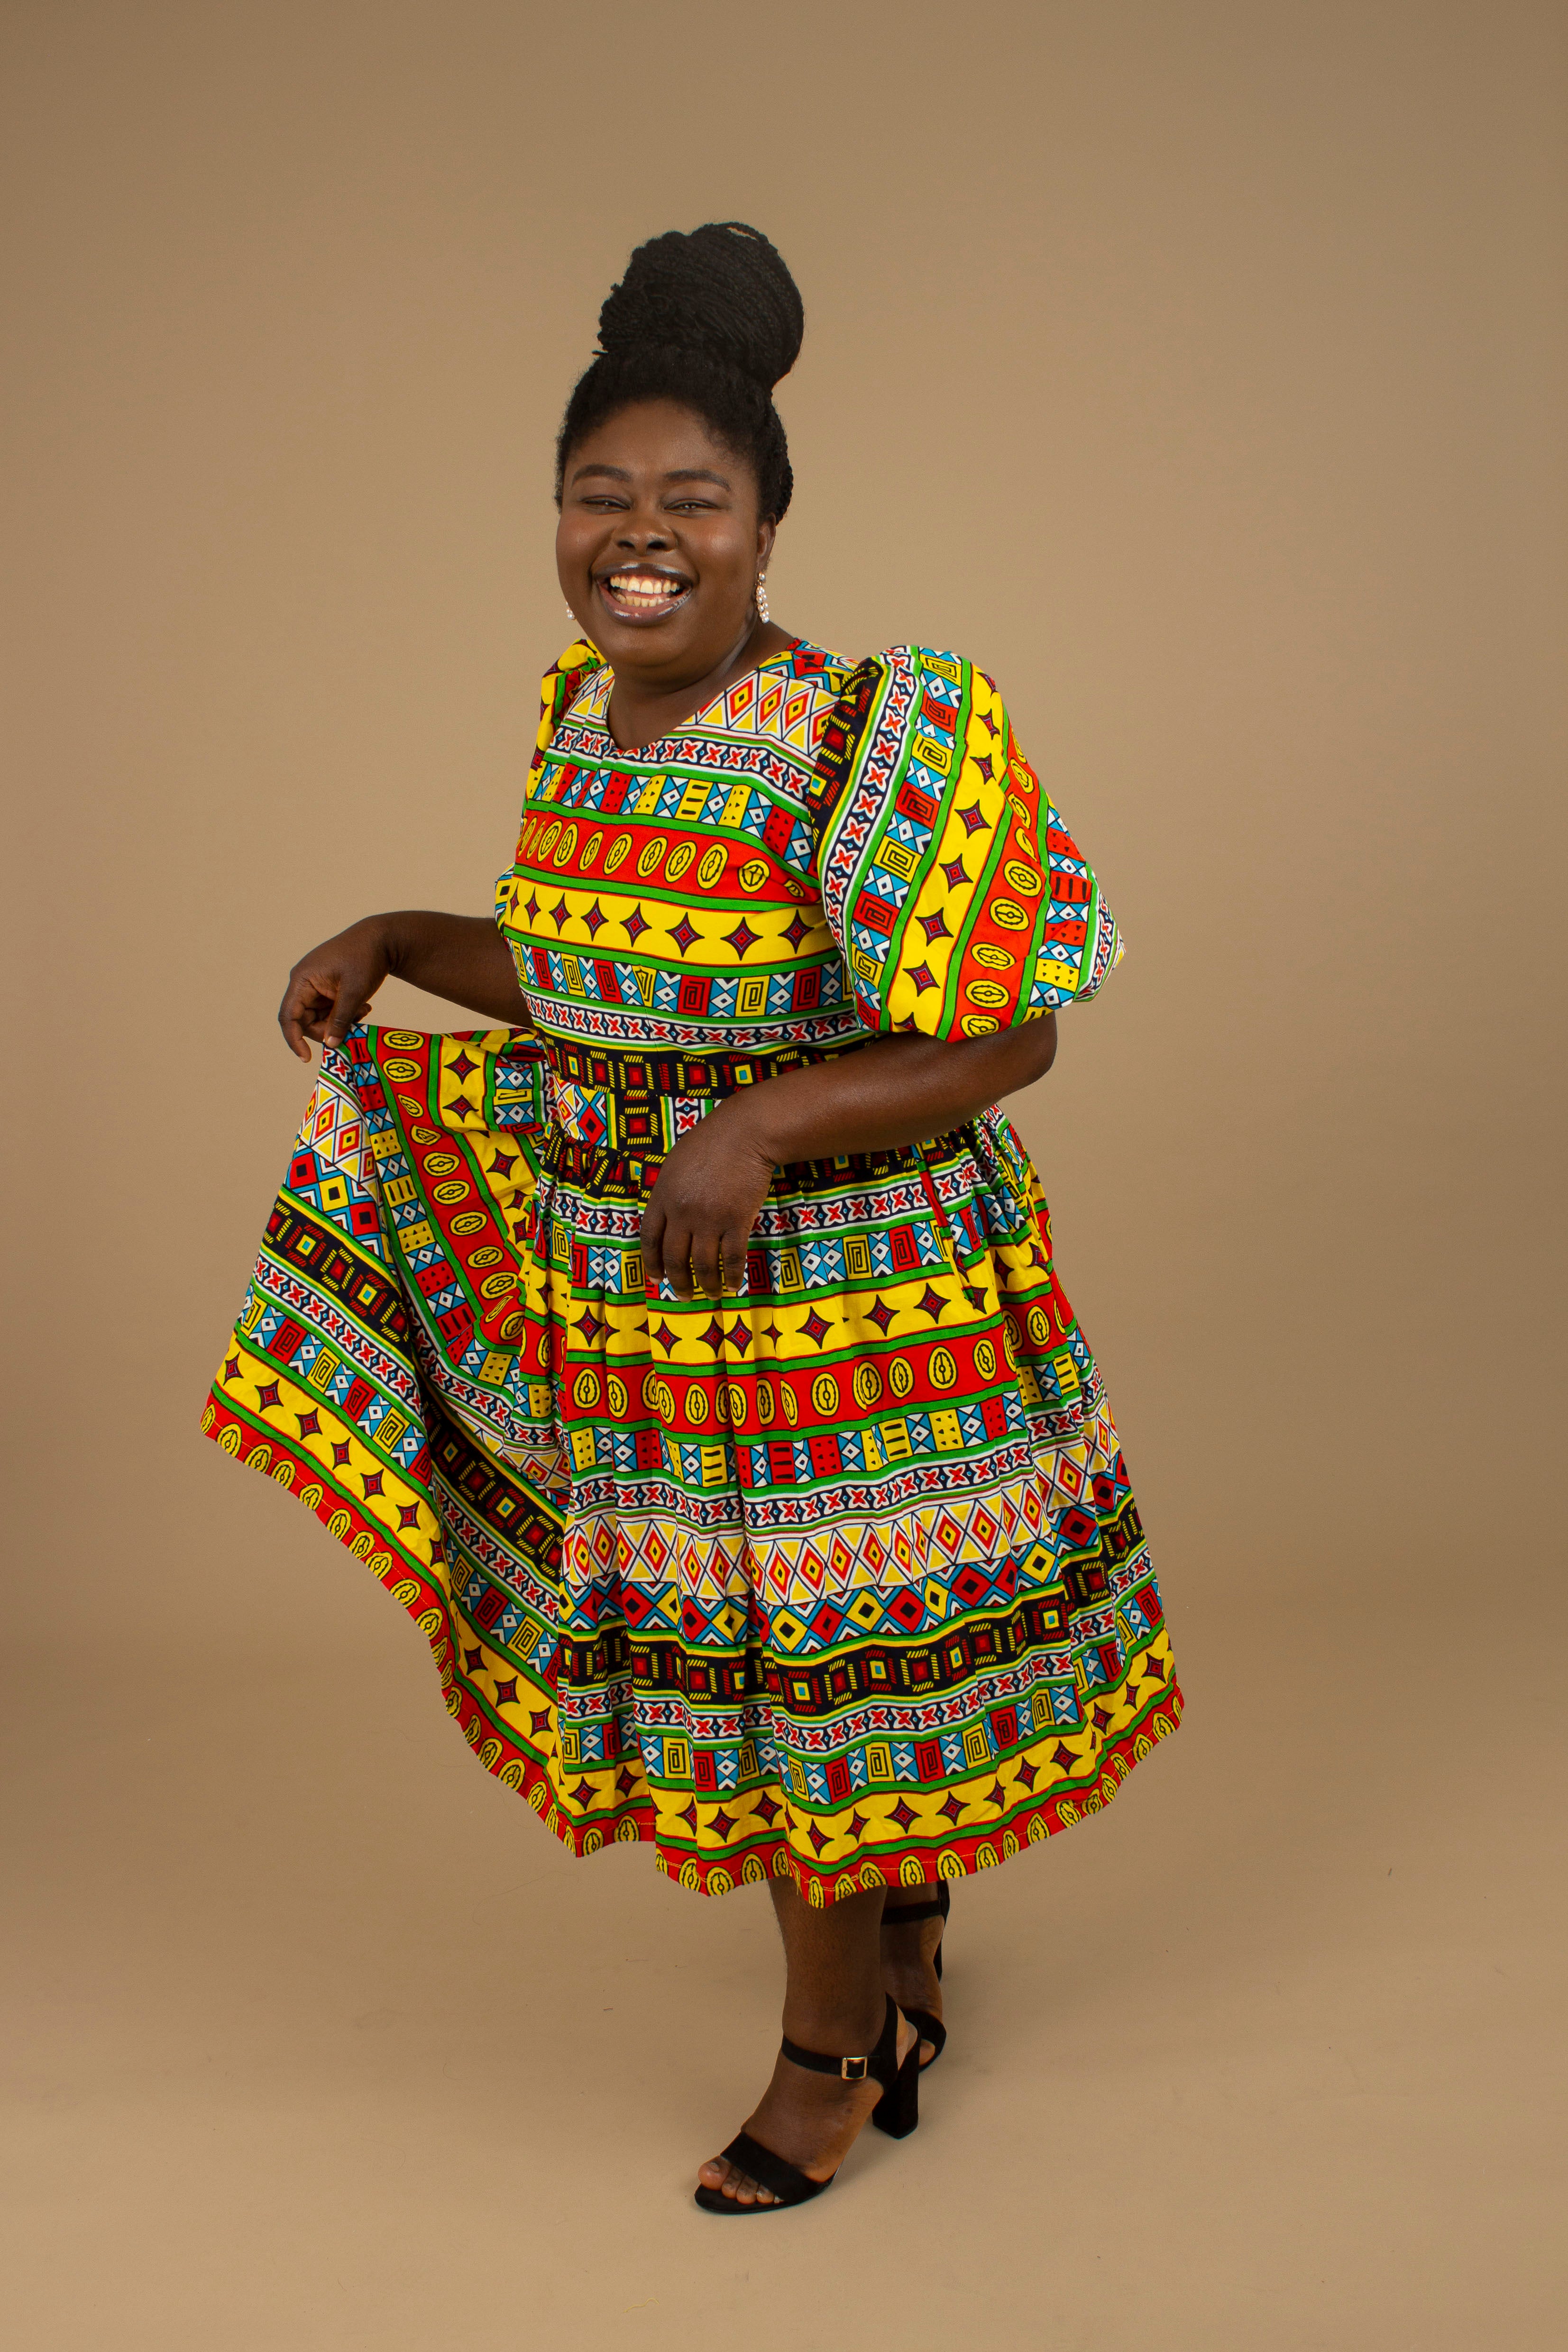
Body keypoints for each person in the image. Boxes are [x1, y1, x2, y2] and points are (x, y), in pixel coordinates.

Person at [205, 221, 1182, 2211]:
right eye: (599, 497)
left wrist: (758, 1125)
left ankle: (823, 2054)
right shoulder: (581, 713)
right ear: (556, 519)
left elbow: (1008, 1039)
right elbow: (593, 977)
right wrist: (398, 931)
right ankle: (898, 1961)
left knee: (813, 1677)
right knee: (788, 1671)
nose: (636, 537)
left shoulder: (864, 731)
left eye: (688, 503)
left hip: (849, 1299)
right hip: (651, 1295)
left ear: (763, 526)